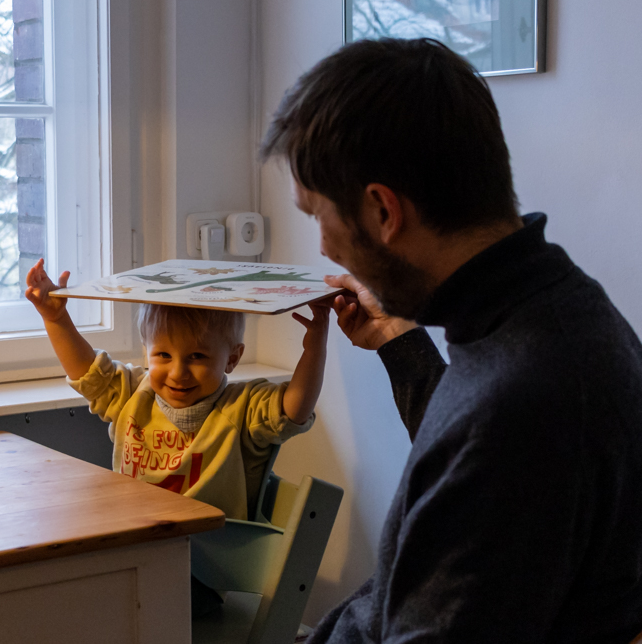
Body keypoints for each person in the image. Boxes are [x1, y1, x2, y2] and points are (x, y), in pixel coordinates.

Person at [261, 38, 642, 642]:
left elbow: (485, 444)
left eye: (317, 216)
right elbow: (466, 461)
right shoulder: (555, 311)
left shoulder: (522, 407)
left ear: (383, 211)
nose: (324, 248)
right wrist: (397, 341)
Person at [24, 257, 327, 522]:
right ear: (146, 353)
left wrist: (314, 349)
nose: (178, 373)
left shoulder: (242, 407)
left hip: (209, 561)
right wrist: (56, 318)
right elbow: (87, 372)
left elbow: (293, 410)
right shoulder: (132, 394)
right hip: (136, 542)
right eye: (164, 356)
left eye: (197, 357)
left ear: (232, 358)